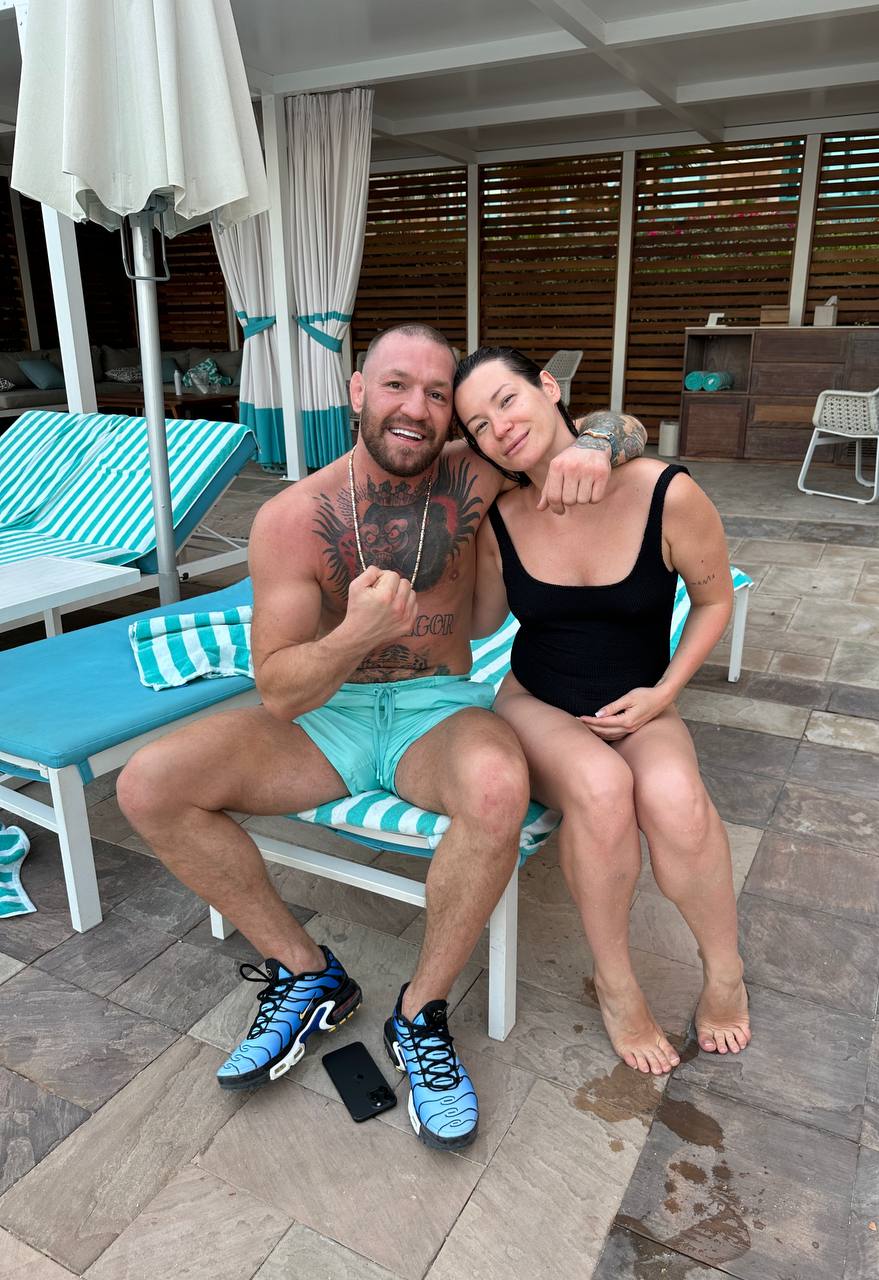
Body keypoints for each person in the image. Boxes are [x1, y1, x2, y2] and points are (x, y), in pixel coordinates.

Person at [117, 323, 642, 1152]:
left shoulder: (475, 471)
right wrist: (354, 635)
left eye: (436, 394)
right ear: (357, 390)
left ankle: (419, 1012)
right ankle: (308, 975)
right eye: (396, 385)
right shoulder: (293, 518)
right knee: (149, 784)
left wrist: (599, 445)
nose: (416, 408)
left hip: (438, 709)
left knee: (498, 785)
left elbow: (606, 424)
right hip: (327, 715)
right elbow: (279, 690)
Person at [453, 347, 751, 1076]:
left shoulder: (664, 493)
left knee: (678, 801)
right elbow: (481, 623)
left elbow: (714, 599)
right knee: (602, 786)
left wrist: (665, 692)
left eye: (507, 400)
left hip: (642, 698)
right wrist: (444, 540)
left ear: (548, 387)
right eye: (479, 424)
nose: (500, 427)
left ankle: (726, 971)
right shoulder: (500, 518)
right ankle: (616, 983)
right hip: (536, 701)